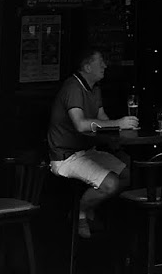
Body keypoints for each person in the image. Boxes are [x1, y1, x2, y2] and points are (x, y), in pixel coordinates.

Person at [47, 48, 138, 238]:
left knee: (127, 175)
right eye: (100, 62)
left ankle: (90, 208)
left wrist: (118, 135)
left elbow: (102, 119)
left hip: (87, 150)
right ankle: (79, 214)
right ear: (87, 67)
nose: (105, 65)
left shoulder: (95, 88)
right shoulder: (73, 87)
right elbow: (80, 125)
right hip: (66, 156)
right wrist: (118, 123)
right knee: (111, 184)